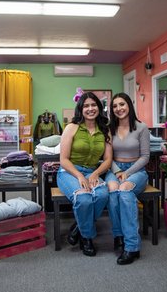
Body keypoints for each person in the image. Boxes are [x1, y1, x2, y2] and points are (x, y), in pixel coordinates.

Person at [56, 91, 112, 257]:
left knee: (102, 195)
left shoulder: (104, 130)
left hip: (93, 172)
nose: (90, 109)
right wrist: (80, 176)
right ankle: (87, 238)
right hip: (69, 172)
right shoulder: (71, 128)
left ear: (99, 107)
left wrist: (95, 174)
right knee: (84, 198)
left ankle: (77, 229)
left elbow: (108, 160)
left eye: (93, 105)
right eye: (86, 105)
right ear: (80, 109)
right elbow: (63, 160)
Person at [105, 92, 150, 265]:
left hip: (137, 170)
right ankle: (118, 236)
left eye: (122, 104)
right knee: (113, 190)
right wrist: (117, 172)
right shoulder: (109, 128)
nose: (119, 108)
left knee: (124, 192)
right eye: (115, 106)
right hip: (114, 168)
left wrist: (128, 173)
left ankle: (132, 246)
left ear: (129, 105)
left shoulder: (141, 127)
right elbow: (107, 157)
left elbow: (145, 157)